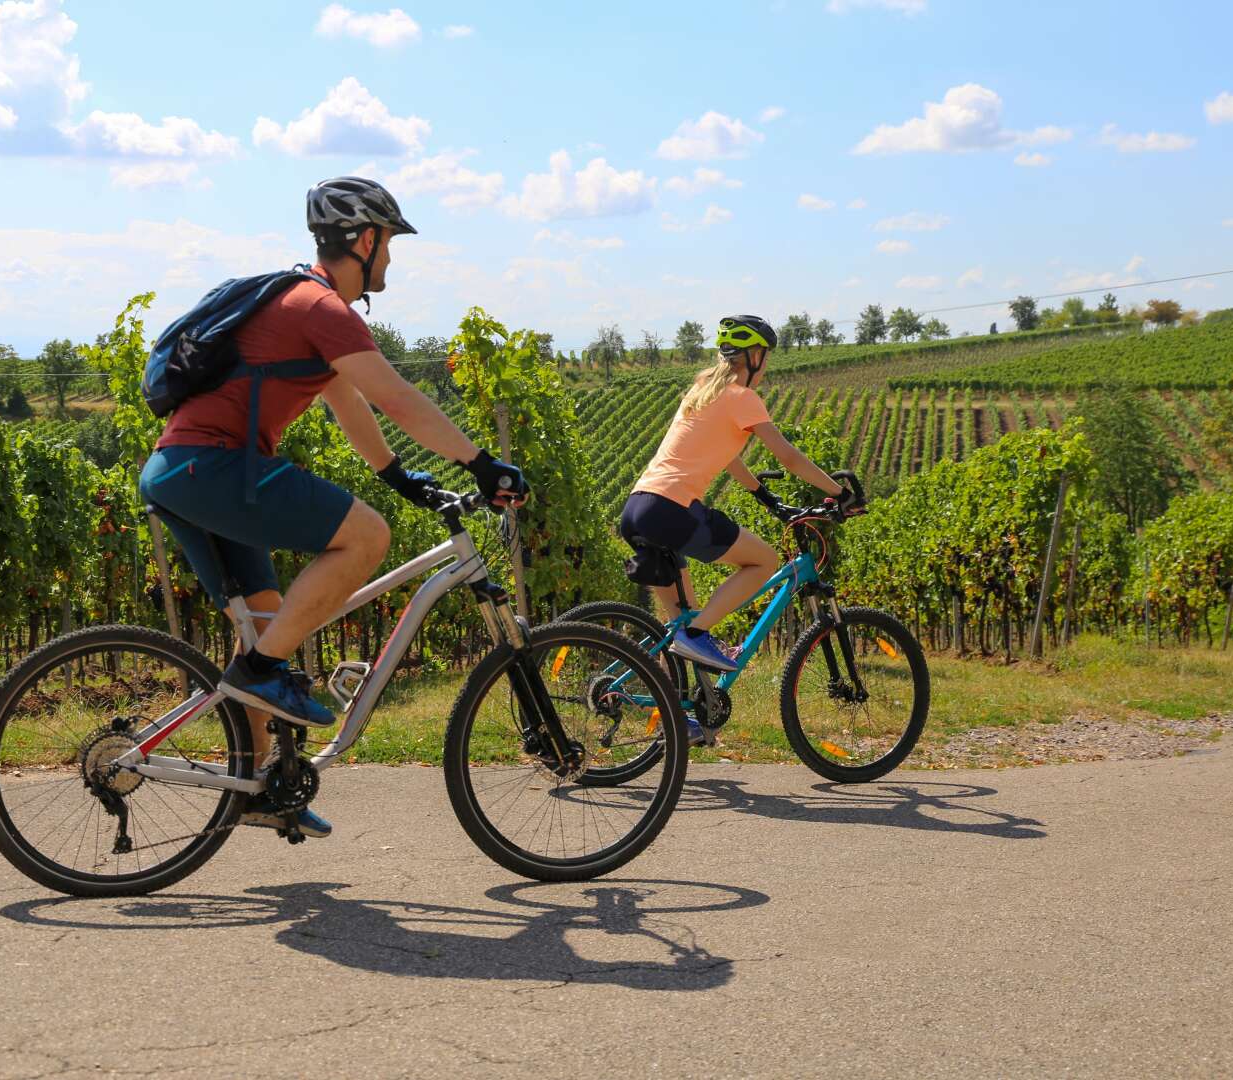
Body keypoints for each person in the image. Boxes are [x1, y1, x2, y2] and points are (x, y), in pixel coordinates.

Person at [138, 176, 528, 838]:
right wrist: (481, 463)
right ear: (366, 240)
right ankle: (261, 674)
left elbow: (349, 401)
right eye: (390, 246)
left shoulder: (301, 305)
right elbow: (394, 396)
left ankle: (256, 787)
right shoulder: (320, 308)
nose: (392, 263)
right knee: (365, 539)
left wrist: (402, 477)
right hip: (214, 467)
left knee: (265, 623)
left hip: (180, 472)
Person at [620, 315, 853, 678]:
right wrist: (840, 493)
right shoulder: (742, 397)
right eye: (766, 355)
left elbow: (727, 455)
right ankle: (698, 634)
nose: (767, 364)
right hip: (671, 510)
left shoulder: (702, 392)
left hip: (638, 507)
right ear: (754, 356)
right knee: (763, 560)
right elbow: (787, 455)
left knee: (680, 625)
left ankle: (674, 715)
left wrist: (764, 495)